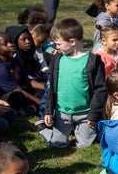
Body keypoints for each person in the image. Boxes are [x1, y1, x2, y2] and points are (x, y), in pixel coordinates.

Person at [41, 19, 107, 149]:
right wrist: (48, 111)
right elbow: (50, 88)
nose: (56, 47)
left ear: (72, 41)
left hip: (85, 113)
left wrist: (94, 114)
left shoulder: (93, 61)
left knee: (84, 145)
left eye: (58, 44)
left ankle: (93, 128)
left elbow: (100, 90)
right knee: (57, 144)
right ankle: (46, 129)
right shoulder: (57, 60)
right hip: (61, 113)